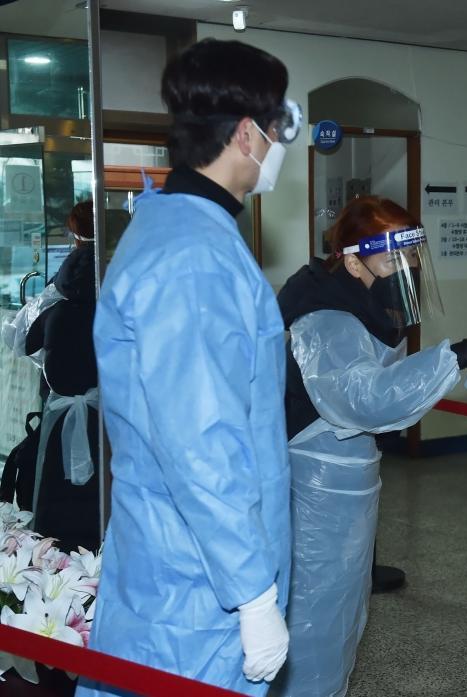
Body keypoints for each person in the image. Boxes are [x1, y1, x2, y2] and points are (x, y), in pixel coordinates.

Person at [76, 39, 301, 696]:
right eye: (279, 127)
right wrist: (253, 595)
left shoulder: (172, 227)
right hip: (198, 591)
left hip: (173, 567)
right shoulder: (195, 258)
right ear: (246, 134)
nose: (279, 145)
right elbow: (203, 444)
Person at [272, 195, 467, 697]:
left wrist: (459, 358)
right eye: (394, 258)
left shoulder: (358, 304)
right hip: (318, 486)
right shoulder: (326, 316)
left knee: (342, 611)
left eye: (411, 255)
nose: (406, 267)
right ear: (353, 261)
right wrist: (455, 356)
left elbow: (378, 380)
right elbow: (362, 396)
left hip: (343, 481)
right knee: (315, 619)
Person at [24, 200, 100, 552]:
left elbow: (25, 342)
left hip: (60, 413)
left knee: (57, 495)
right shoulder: (121, 293)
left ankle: (58, 565)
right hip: (109, 415)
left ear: (74, 237)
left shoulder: (57, 300)